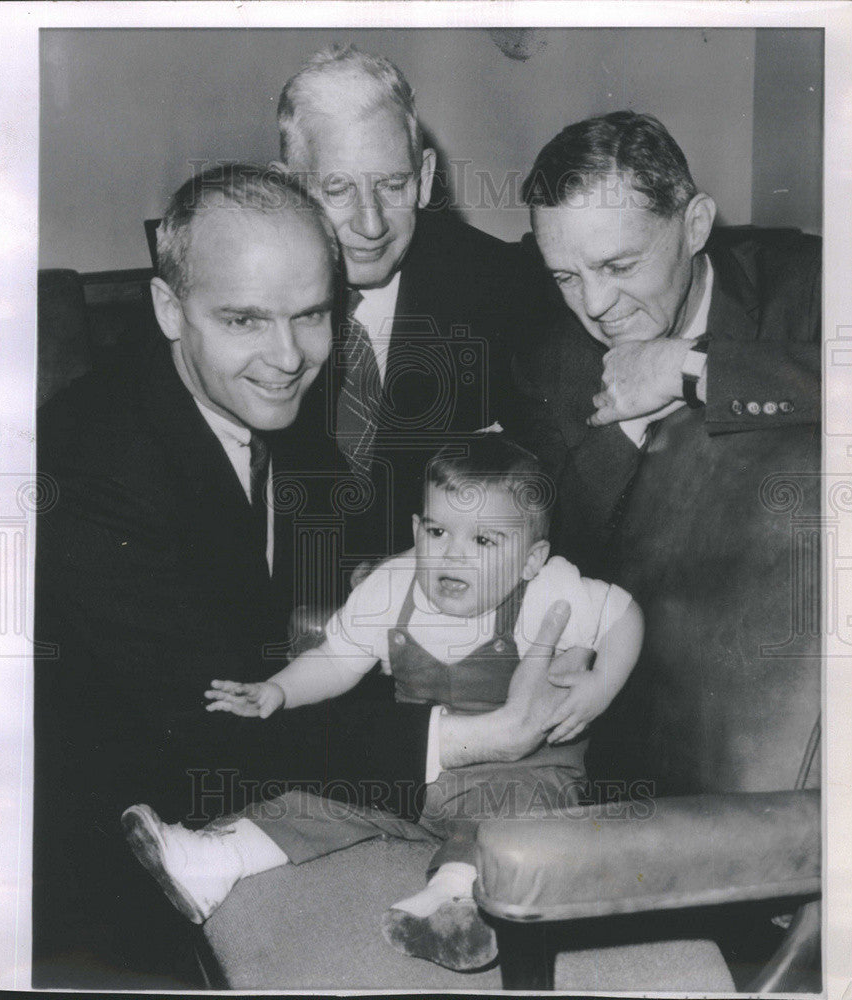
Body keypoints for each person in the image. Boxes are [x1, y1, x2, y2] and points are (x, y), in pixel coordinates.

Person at [33, 164, 590, 986]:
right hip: (93, 866)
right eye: (244, 320)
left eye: (311, 316)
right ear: (165, 310)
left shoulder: (280, 419)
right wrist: (479, 736)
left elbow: (367, 581)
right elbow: (212, 720)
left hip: (236, 781)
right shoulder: (86, 465)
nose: (287, 356)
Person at [120, 434, 643, 971]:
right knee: (328, 795)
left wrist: (601, 686)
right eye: (438, 532)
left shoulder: (550, 588)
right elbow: (339, 656)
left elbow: (623, 614)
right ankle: (213, 862)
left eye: (484, 542)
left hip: (524, 777)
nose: (452, 555)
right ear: (417, 530)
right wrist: (279, 689)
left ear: (532, 559)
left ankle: (452, 903)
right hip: (419, 779)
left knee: (517, 820)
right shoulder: (393, 584)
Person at [509, 111, 821, 576]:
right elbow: (551, 553)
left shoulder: (811, 284)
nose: (593, 306)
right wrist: (626, 425)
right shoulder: (548, 359)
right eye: (566, 276)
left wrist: (690, 368)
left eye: (618, 267)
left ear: (694, 226)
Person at [275, 44, 552, 558]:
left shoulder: (507, 289)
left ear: (424, 178)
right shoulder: (251, 301)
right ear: (293, 188)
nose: (372, 223)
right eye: (338, 189)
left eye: (393, 185)